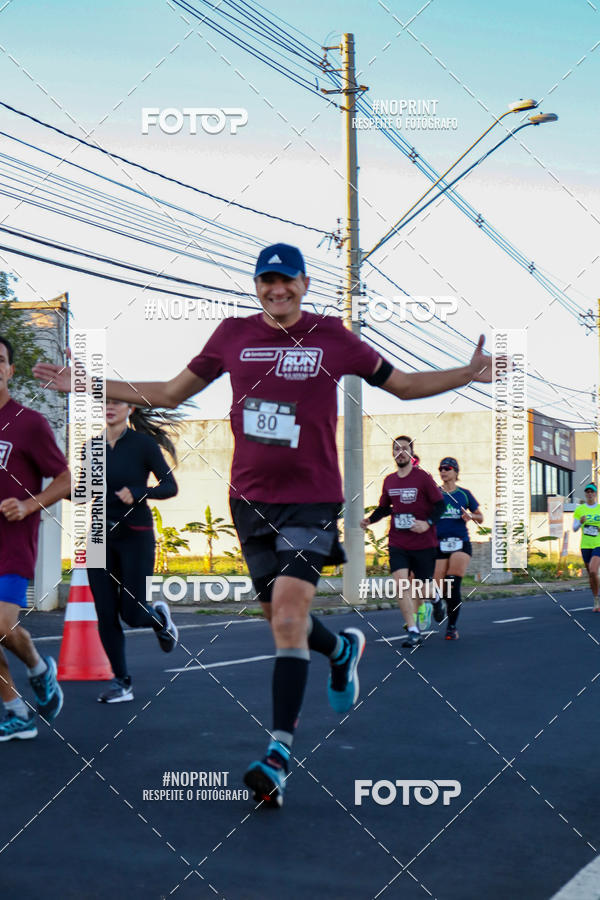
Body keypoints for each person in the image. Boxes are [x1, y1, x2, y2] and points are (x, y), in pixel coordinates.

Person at [34, 242, 495, 806]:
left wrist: (468, 374)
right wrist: (89, 383)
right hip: (251, 502)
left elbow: (400, 383)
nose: (277, 290)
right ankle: (341, 652)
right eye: (266, 282)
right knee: (281, 615)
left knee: (289, 615)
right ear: (257, 287)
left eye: (287, 281)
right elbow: (169, 392)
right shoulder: (232, 335)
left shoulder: (334, 336)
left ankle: (278, 752)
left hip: (313, 499)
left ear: (304, 284)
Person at [84, 400, 180, 703]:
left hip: (135, 536)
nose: (110, 407)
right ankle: (122, 682)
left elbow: (170, 486)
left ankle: (159, 620)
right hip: (99, 536)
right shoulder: (91, 447)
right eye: (106, 402)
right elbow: (84, 490)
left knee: (133, 613)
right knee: (105, 611)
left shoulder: (143, 445)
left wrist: (140, 492)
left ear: (131, 410)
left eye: (118, 402)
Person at [0, 336, 71, 741]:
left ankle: (40, 671)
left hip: (12, 542)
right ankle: (15, 712)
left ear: (10, 370)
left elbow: (64, 480)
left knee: (2, 625)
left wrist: (28, 505)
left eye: (1, 360)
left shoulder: (29, 423)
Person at [361, 437, 445, 648]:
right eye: (396, 449)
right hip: (398, 541)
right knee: (401, 585)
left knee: (423, 588)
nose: (400, 452)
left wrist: (427, 523)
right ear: (392, 453)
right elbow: (385, 507)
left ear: (411, 453)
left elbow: (440, 506)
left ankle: (435, 598)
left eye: (404, 449)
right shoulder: (389, 480)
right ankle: (414, 631)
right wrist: (370, 520)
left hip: (424, 542)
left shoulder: (423, 478)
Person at [433, 457, 484, 640]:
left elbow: (480, 517)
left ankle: (451, 627)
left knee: (453, 584)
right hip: (438, 543)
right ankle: (438, 605)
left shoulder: (464, 494)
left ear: (455, 472)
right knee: (438, 588)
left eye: (447, 468)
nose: (443, 471)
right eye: (441, 468)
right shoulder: (435, 493)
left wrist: (470, 516)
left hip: (460, 543)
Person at [572, 484, 600, 612]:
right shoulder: (580, 509)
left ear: (595, 494)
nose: (589, 494)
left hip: (598, 544)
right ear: (585, 494)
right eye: (587, 492)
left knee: (593, 570)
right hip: (585, 545)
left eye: (592, 492)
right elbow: (574, 528)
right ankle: (596, 600)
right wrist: (581, 522)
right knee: (591, 575)